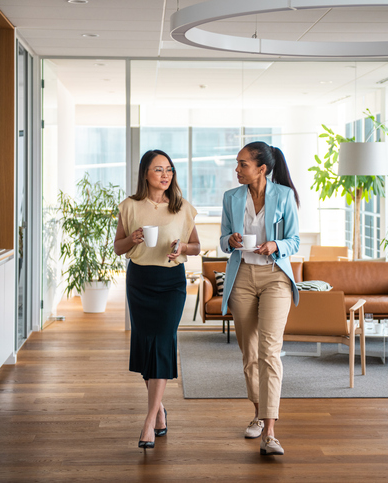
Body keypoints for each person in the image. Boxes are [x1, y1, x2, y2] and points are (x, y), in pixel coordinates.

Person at [114, 149, 200, 450]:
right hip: (139, 281)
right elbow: (118, 248)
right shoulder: (129, 206)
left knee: (163, 342)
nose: (166, 175)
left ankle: (149, 420)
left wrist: (182, 249)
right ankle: (160, 409)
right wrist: (133, 239)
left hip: (171, 283)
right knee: (146, 343)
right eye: (158, 169)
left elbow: (197, 246)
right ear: (145, 174)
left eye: (169, 170)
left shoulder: (182, 208)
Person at [219, 141, 300, 456]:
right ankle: (257, 411)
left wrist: (275, 245)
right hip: (241, 279)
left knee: (270, 351)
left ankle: (270, 431)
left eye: (242, 164)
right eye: (237, 164)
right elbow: (225, 241)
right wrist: (232, 239)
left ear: (261, 168)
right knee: (249, 353)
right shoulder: (232, 197)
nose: (236, 170)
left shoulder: (284, 196)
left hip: (275, 277)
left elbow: (294, 240)